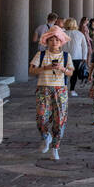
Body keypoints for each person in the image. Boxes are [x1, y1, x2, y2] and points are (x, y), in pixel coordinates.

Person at [29, 26, 72, 159]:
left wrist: (63, 69)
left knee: (60, 120)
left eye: (57, 40)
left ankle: (55, 147)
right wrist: (45, 68)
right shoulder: (40, 55)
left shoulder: (66, 56)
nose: (54, 43)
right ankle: (46, 136)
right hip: (43, 88)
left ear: (61, 42)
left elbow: (70, 72)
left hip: (60, 90)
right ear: (47, 42)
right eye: (51, 40)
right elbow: (32, 70)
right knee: (41, 117)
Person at [64, 18, 89, 96]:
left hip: (63, 56)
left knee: (63, 73)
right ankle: (72, 90)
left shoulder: (62, 33)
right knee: (74, 74)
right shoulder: (80, 34)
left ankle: (63, 89)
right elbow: (85, 47)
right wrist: (84, 58)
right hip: (76, 56)